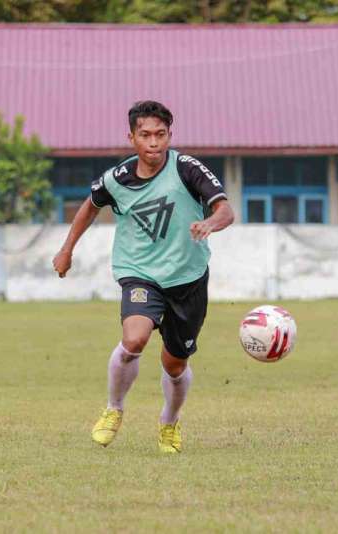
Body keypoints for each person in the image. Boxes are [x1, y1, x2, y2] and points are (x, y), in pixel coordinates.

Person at [52, 100, 235, 453]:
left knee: (175, 362)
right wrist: (66, 249)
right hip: (140, 273)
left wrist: (210, 222)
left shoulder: (186, 168)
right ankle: (114, 409)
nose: (154, 143)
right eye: (145, 135)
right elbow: (89, 206)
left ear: (170, 135)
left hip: (188, 277)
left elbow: (225, 210)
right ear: (131, 137)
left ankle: (169, 422)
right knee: (134, 340)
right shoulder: (117, 179)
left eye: (161, 135)